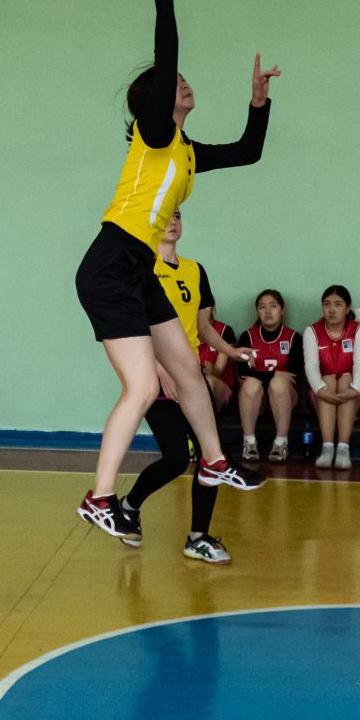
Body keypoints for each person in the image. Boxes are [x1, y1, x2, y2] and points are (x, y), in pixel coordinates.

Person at [72, 0, 274, 537]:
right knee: (141, 387)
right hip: (110, 263)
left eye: (184, 82)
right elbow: (168, 56)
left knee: (187, 368)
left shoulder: (184, 152)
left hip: (140, 269)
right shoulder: (155, 134)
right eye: (174, 82)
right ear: (155, 101)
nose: (183, 85)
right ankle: (99, 497)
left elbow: (249, 151)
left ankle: (214, 459)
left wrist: (258, 103)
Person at [114, 211, 253, 563]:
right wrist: (159, 370)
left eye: (177, 216)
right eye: (166, 216)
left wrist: (230, 351)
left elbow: (204, 327)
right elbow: (135, 326)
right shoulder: (142, 267)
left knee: (211, 455)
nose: (173, 222)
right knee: (176, 459)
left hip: (190, 376)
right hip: (155, 374)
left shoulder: (195, 270)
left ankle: (198, 537)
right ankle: (129, 505)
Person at [303, 285, 360, 470]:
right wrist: (320, 390)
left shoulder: (359, 330)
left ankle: (343, 450)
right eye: (327, 304)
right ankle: (327, 449)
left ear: (347, 308)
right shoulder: (312, 331)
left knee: (346, 379)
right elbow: (311, 367)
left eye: (338, 304)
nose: (331, 310)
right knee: (328, 380)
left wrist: (354, 389)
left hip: (355, 393)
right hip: (321, 393)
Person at [235, 289, 300, 461]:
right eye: (262, 307)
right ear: (257, 311)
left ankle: (281, 443)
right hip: (256, 398)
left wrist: (263, 374)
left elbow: (294, 374)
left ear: (282, 310)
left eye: (273, 306)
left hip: (284, 397)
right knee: (251, 384)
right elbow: (243, 373)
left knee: (278, 384)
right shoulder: (248, 336)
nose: (268, 311)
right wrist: (276, 373)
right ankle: (249, 442)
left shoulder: (293, 337)